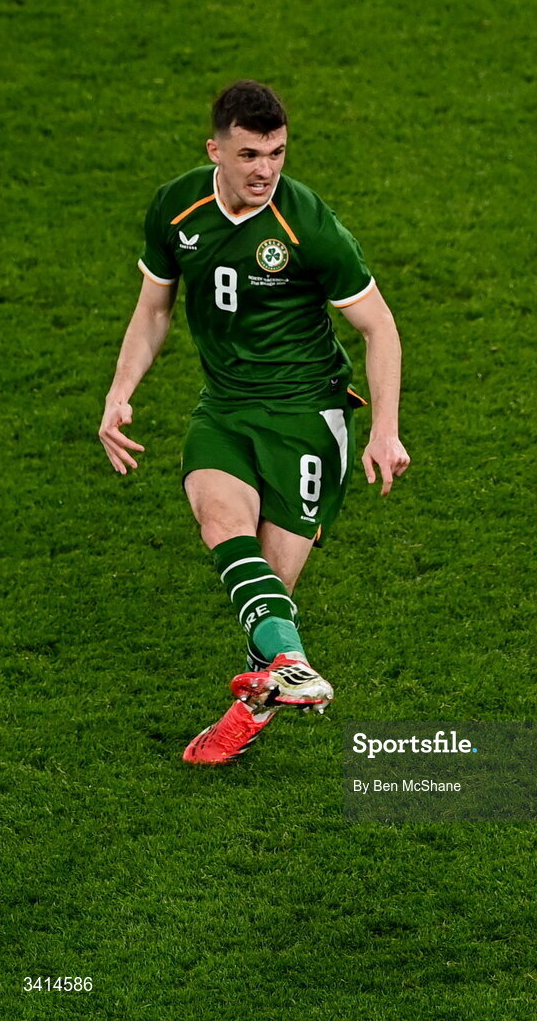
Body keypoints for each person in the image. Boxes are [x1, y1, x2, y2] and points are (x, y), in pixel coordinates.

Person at [98, 80, 409, 765]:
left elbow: (378, 326)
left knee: (269, 593)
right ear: (216, 150)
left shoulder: (308, 224)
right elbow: (154, 309)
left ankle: (260, 696)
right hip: (226, 408)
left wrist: (383, 430)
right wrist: (121, 392)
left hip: (306, 416)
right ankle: (291, 668)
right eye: (248, 154)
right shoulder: (177, 207)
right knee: (220, 524)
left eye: (276, 153)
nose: (265, 169)